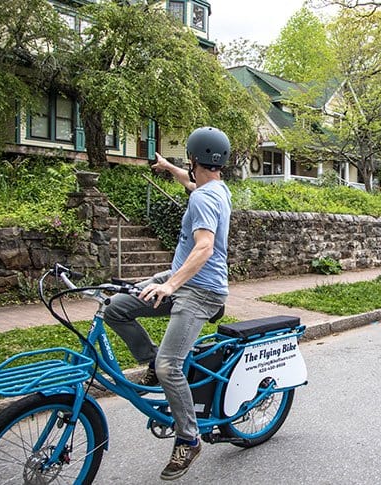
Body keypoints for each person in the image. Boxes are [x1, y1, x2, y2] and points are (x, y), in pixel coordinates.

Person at [104, 127, 232, 481]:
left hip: (200, 291)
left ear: (195, 159)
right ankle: (149, 358)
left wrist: (171, 284)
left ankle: (189, 438)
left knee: (169, 367)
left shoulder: (206, 200)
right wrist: (168, 168)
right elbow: (193, 186)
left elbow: (204, 247)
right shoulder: (214, 187)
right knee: (116, 307)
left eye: (186, 161)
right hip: (180, 279)